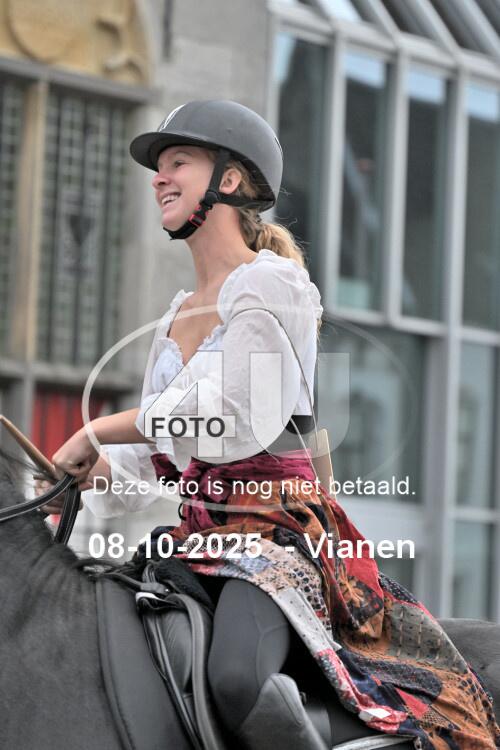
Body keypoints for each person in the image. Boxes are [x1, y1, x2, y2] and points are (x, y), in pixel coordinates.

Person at [37, 101, 500, 750]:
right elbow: (160, 462)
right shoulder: (174, 316)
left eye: (178, 162)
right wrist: (90, 474)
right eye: (159, 167)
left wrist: (98, 431)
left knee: (238, 680)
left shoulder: (273, 285)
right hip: (197, 541)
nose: (159, 178)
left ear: (228, 180)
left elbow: (231, 416)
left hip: (277, 537)